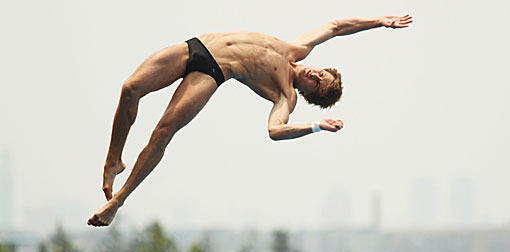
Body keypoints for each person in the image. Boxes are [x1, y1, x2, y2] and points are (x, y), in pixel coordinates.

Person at [87, 14, 413, 227]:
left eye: (318, 83)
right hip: (196, 46)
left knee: (163, 131)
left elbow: (275, 130)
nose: (315, 75)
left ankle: (118, 201)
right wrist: (380, 22)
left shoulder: (285, 96)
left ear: (312, 94)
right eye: (321, 73)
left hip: (211, 72)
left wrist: (315, 127)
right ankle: (114, 160)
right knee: (130, 88)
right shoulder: (298, 48)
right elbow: (336, 27)